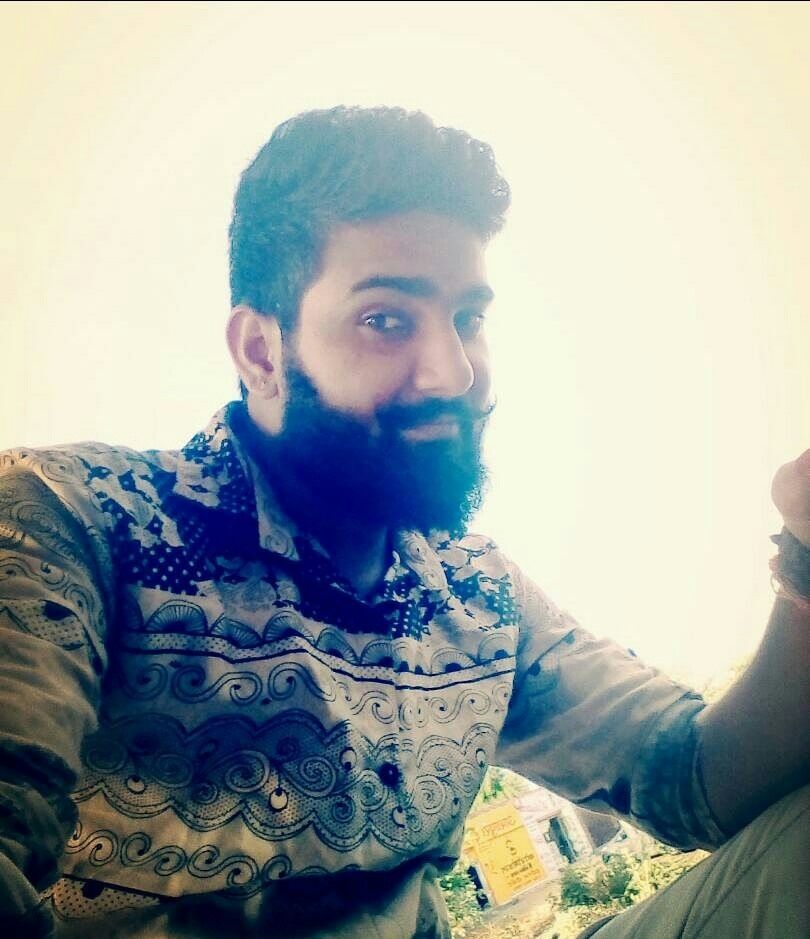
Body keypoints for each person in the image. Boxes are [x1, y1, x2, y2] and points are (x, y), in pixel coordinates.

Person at [0, 106, 807, 939]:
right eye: (386, 319)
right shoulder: (76, 519)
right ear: (261, 351)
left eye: (468, 319)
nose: (453, 373)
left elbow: (697, 778)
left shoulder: (477, 593)